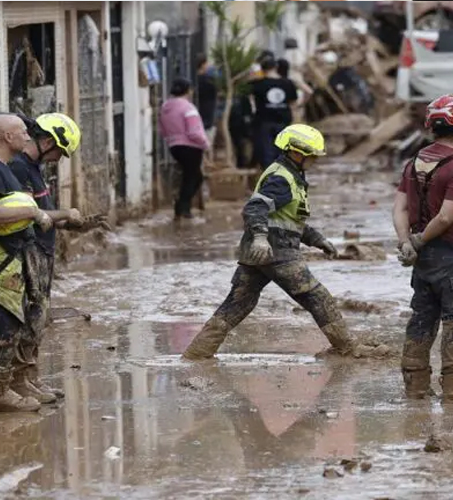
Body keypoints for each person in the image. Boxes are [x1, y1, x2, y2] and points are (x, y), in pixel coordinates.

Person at [182, 124, 382, 361]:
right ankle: (347, 348)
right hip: (277, 252)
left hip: (261, 252)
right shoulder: (281, 179)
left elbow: (289, 219)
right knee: (317, 297)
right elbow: (254, 209)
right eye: (312, 156)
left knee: (239, 304)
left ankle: (198, 352)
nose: (315, 161)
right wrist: (259, 238)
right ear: (296, 152)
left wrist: (318, 241)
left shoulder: (292, 176)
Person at [393, 95, 453, 402]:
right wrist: (419, 240)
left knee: (422, 318)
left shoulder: (413, 162)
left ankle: (415, 390)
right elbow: (446, 216)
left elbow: (400, 208)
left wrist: (407, 242)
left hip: (423, 258)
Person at [10, 112, 102, 404]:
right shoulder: (19, 169)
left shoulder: (34, 168)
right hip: (28, 251)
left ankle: (28, 378)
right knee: (30, 317)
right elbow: (26, 215)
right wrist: (65, 214)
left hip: (43, 251)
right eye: (60, 152)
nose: (60, 159)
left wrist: (78, 223)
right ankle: (19, 381)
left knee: (38, 319)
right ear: (47, 140)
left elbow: (44, 213)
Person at [0, 114, 52, 413]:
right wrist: (30, 213)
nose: (28, 138)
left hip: (9, 257)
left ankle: (2, 385)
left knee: (13, 321)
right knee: (3, 323)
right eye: (22, 133)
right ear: (6, 137)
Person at [159, 77, 209, 220]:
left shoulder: (165, 107)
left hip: (174, 146)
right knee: (194, 177)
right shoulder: (188, 108)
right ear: (188, 91)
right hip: (191, 146)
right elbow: (194, 132)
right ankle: (183, 208)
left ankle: (182, 207)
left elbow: (162, 131)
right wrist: (205, 144)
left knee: (190, 176)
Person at [250, 56, 298, 169]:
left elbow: (252, 102)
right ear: (276, 67)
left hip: (264, 122)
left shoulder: (257, 84)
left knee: (267, 154)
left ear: (262, 69)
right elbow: (293, 103)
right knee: (282, 152)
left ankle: (270, 179)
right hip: (283, 121)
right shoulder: (288, 83)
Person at [196, 54, 218, 161]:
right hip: (208, 116)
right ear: (203, 65)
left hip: (196, 116)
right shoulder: (210, 81)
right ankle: (207, 162)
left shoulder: (193, 80)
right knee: (207, 144)